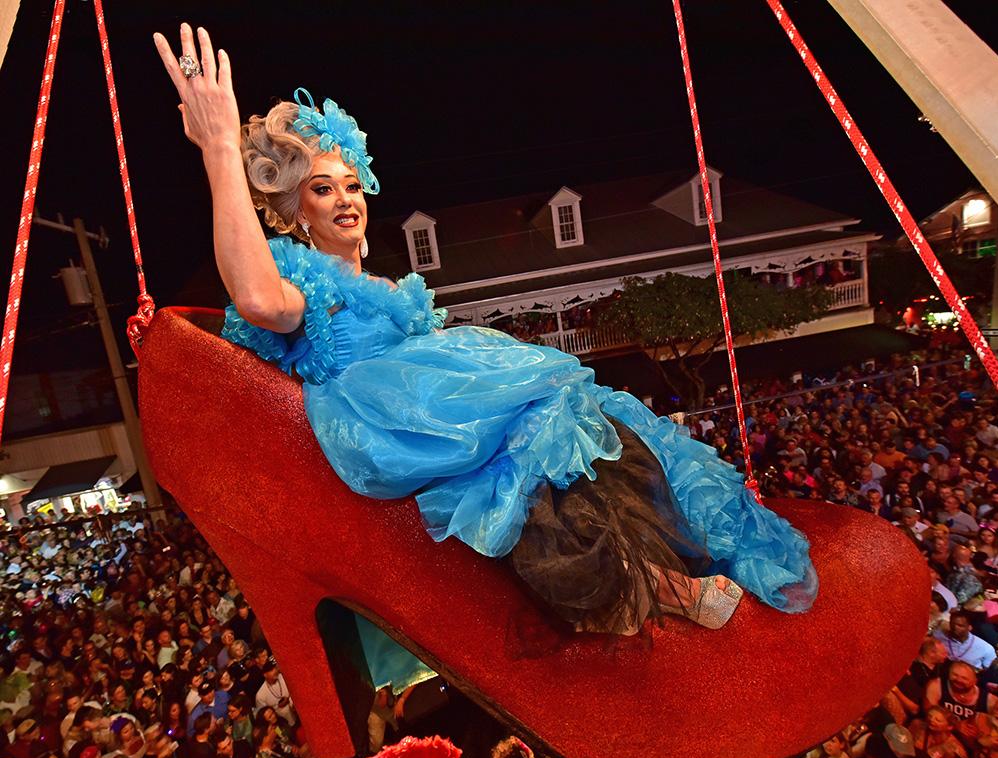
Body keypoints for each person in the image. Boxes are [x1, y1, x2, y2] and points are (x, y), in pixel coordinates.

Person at [152, 23, 817, 687]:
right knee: (524, 455)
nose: (346, 199)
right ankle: (632, 591)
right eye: (323, 189)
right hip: (398, 423)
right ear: (295, 210)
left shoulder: (386, 286)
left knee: (584, 426)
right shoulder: (303, 279)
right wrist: (218, 150)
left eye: (351, 184)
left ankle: (665, 568)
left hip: (446, 404)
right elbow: (261, 301)